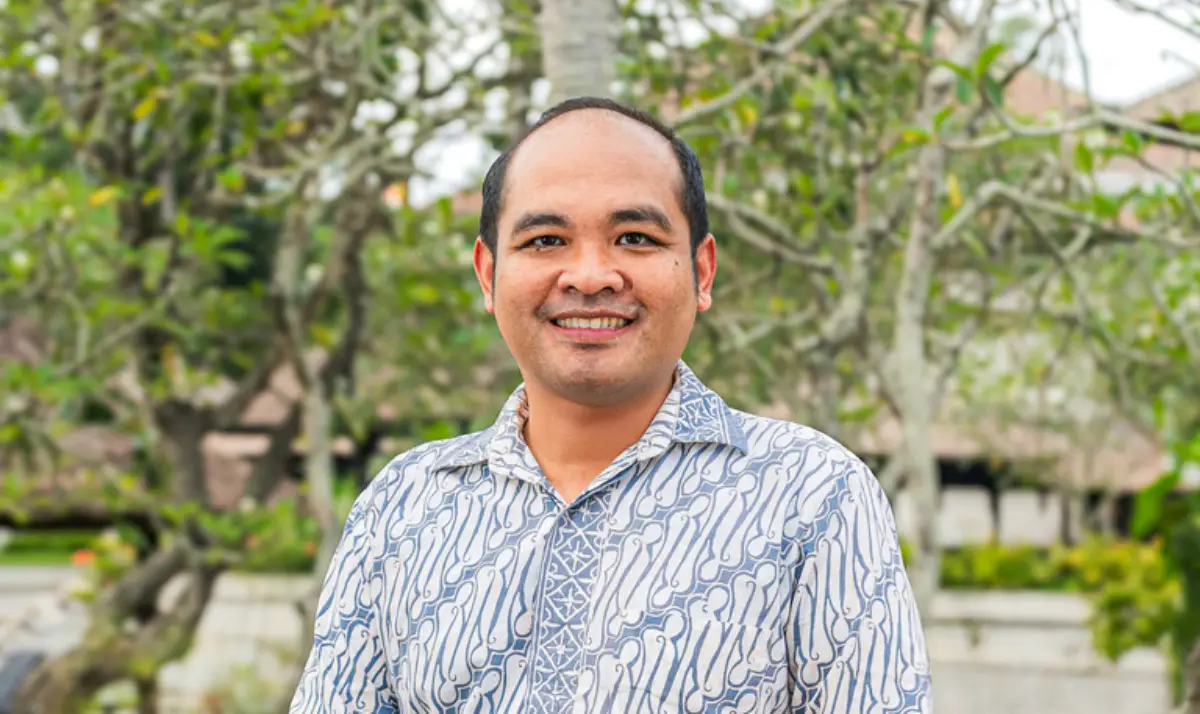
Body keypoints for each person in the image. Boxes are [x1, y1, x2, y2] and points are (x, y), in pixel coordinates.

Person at [289, 97, 932, 713]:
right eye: (546, 241)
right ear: (488, 274)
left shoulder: (812, 495)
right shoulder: (403, 506)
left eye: (635, 237)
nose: (591, 275)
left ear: (702, 271)